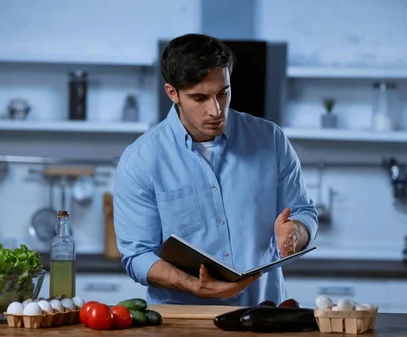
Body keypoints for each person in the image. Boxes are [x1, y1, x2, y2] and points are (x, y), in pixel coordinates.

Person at [113, 33, 318, 306]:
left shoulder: (270, 140)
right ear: (172, 93)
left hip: (264, 315)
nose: (216, 109)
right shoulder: (140, 161)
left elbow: (304, 212)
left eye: (223, 92)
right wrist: (193, 285)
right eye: (199, 98)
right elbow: (138, 256)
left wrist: (295, 233)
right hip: (183, 324)